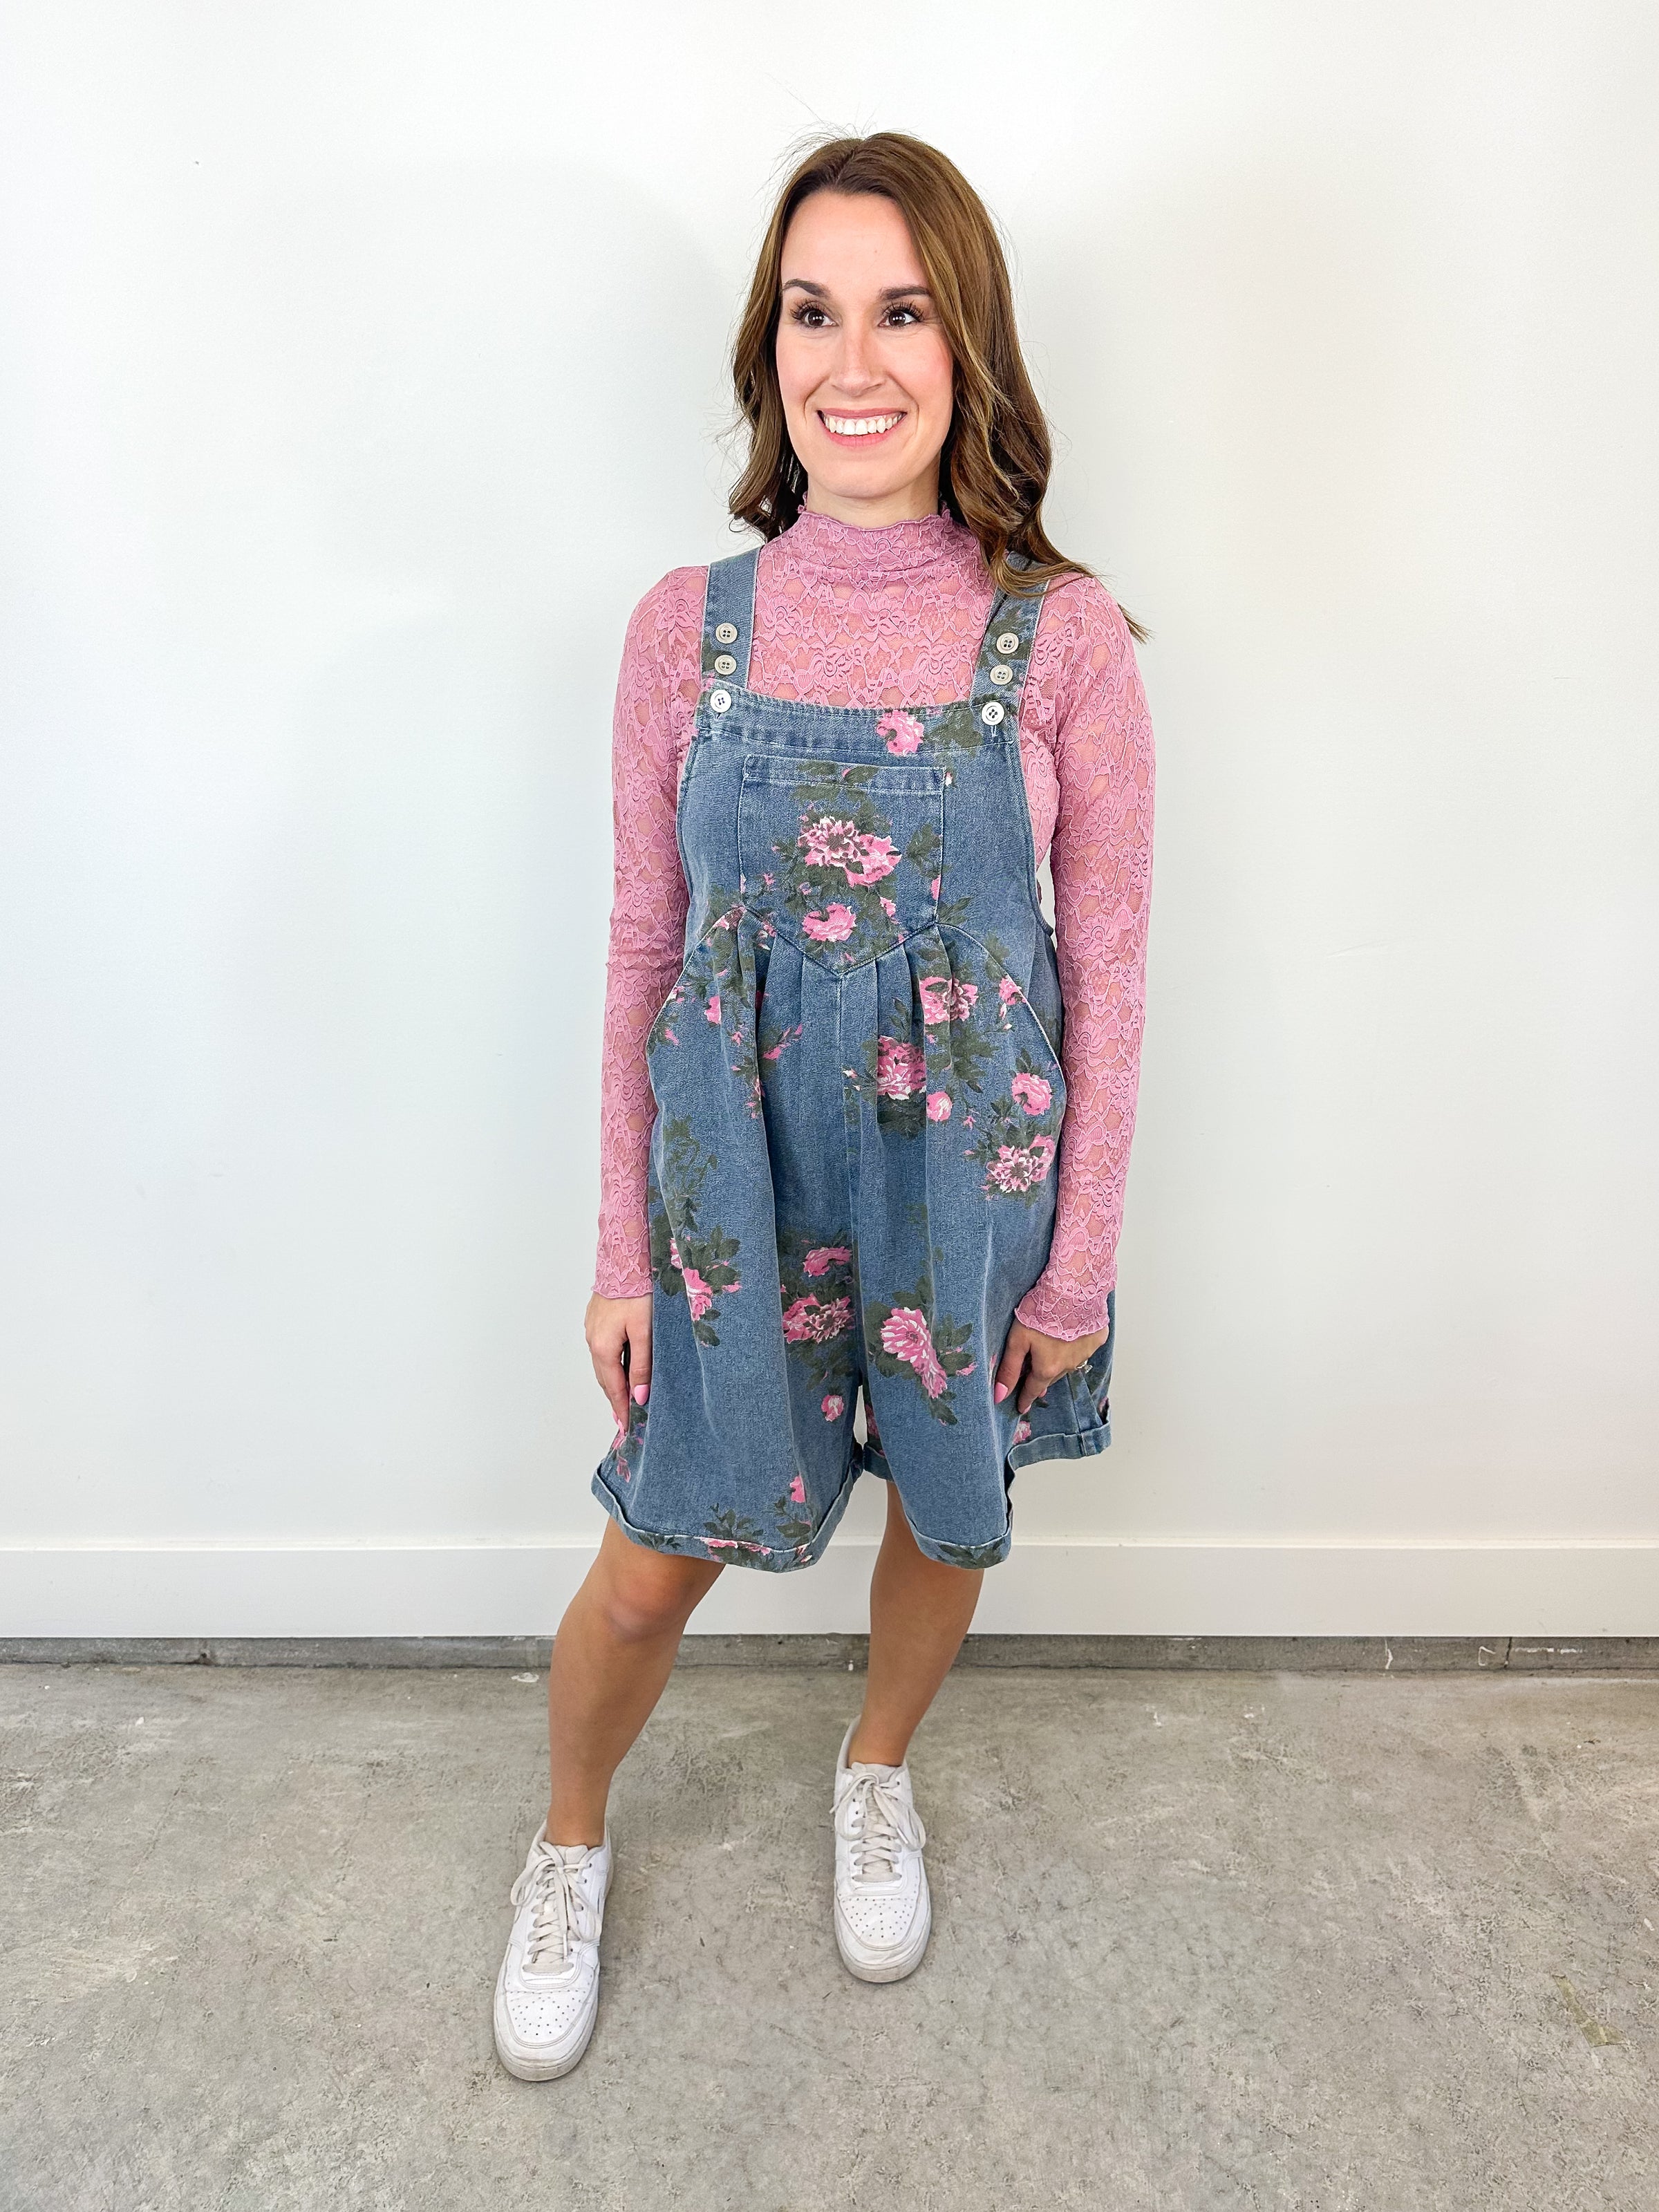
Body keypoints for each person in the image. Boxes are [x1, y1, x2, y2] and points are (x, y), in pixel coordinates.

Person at [493, 130, 1154, 2080]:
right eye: (811, 312)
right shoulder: (680, 632)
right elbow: (642, 950)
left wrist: (1076, 1271)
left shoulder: (1064, 636)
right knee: (649, 1569)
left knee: (949, 1521)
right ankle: (568, 1841)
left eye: (902, 312)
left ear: (969, 348)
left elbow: (1113, 974)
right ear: (764, 346)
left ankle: (875, 1770)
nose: (851, 362)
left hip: (972, 1189)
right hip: (734, 1190)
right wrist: (622, 1248)